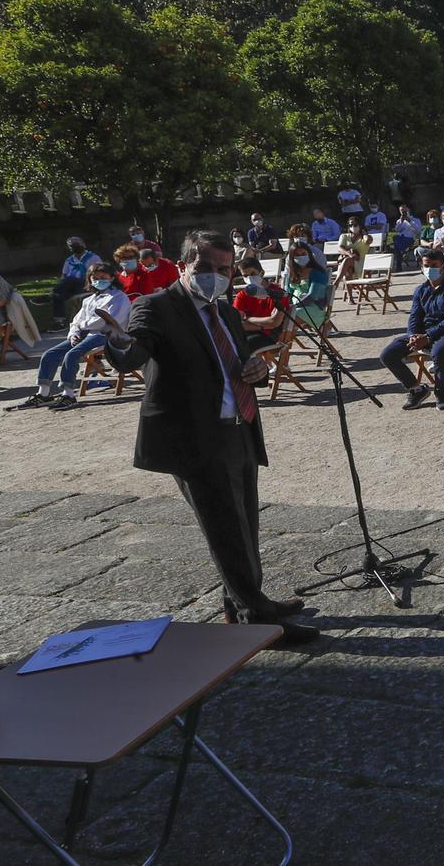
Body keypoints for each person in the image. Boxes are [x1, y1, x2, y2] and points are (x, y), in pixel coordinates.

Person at [100, 231, 315, 643]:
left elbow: (237, 358)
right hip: (194, 438)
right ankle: (257, 620)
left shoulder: (226, 310)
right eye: (205, 269)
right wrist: (118, 341)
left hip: (239, 428)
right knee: (225, 529)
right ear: (182, 266)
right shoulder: (156, 307)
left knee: (244, 522)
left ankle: (243, 601)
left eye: (223, 269)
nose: (215, 277)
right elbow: (134, 352)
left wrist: (258, 369)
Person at [12, 262, 132, 412]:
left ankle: (68, 394)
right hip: (84, 334)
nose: (99, 280)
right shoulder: (89, 300)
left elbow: (110, 320)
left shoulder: (118, 297)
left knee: (71, 355)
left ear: (112, 277)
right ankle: (43, 393)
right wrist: (74, 333)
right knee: (49, 355)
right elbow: (76, 320)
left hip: (105, 334)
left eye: (103, 277)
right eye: (95, 278)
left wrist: (84, 326)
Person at [378, 248, 444, 412]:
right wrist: (413, 336)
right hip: (422, 334)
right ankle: (416, 389)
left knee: (439, 352)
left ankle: (441, 393)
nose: (430, 269)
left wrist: (428, 336)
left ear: (443, 266)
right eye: (426, 265)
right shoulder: (420, 290)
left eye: (434, 265)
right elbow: (414, 316)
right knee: (388, 354)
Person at [229, 255, 289, 355]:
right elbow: (236, 322)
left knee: (243, 348)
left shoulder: (277, 293)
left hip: (269, 336)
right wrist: (263, 325)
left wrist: (247, 319)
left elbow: (274, 322)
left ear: (262, 273)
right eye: (245, 276)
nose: (249, 278)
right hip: (250, 332)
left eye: (253, 273)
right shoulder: (242, 295)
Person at [51, 237, 100, 329]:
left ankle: (49, 295)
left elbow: (98, 273)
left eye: (77, 244)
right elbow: (64, 276)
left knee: (69, 281)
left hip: (86, 284)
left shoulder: (93, 258)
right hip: (70, 287)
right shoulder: (69, 261)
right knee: (57, 295)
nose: (75, 247)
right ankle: (59, 322)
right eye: (72, 246)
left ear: (83, 245)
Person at [283, 239, 330, 334]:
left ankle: (284, 345)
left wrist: (293, 307)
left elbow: (312, 296)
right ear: (292, 257)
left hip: (313, 308)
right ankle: (284, 344)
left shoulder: (317, 272)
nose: (301, 257)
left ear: (309, 254)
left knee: (289, 319)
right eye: (297, 255)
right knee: (278, 316)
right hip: (295, 308)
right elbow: (287, 293)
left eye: (303, 254)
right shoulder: (292, 273)